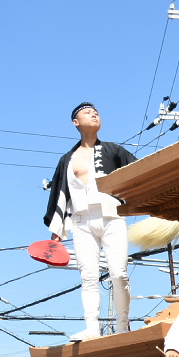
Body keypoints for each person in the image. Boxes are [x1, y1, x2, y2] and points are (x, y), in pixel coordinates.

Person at [43, 103, 138, 341]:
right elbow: (59, 193)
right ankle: (92, 327)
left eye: (96, 112)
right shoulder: (67, 159)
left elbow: (138, 171)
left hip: (112, 217)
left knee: (119, 273)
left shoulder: (114, 150)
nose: (94, 114)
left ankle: (123, 324)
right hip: (81, 221)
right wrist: (57, 230)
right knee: (88, 276)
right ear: (76, 122)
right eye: (87, 112)